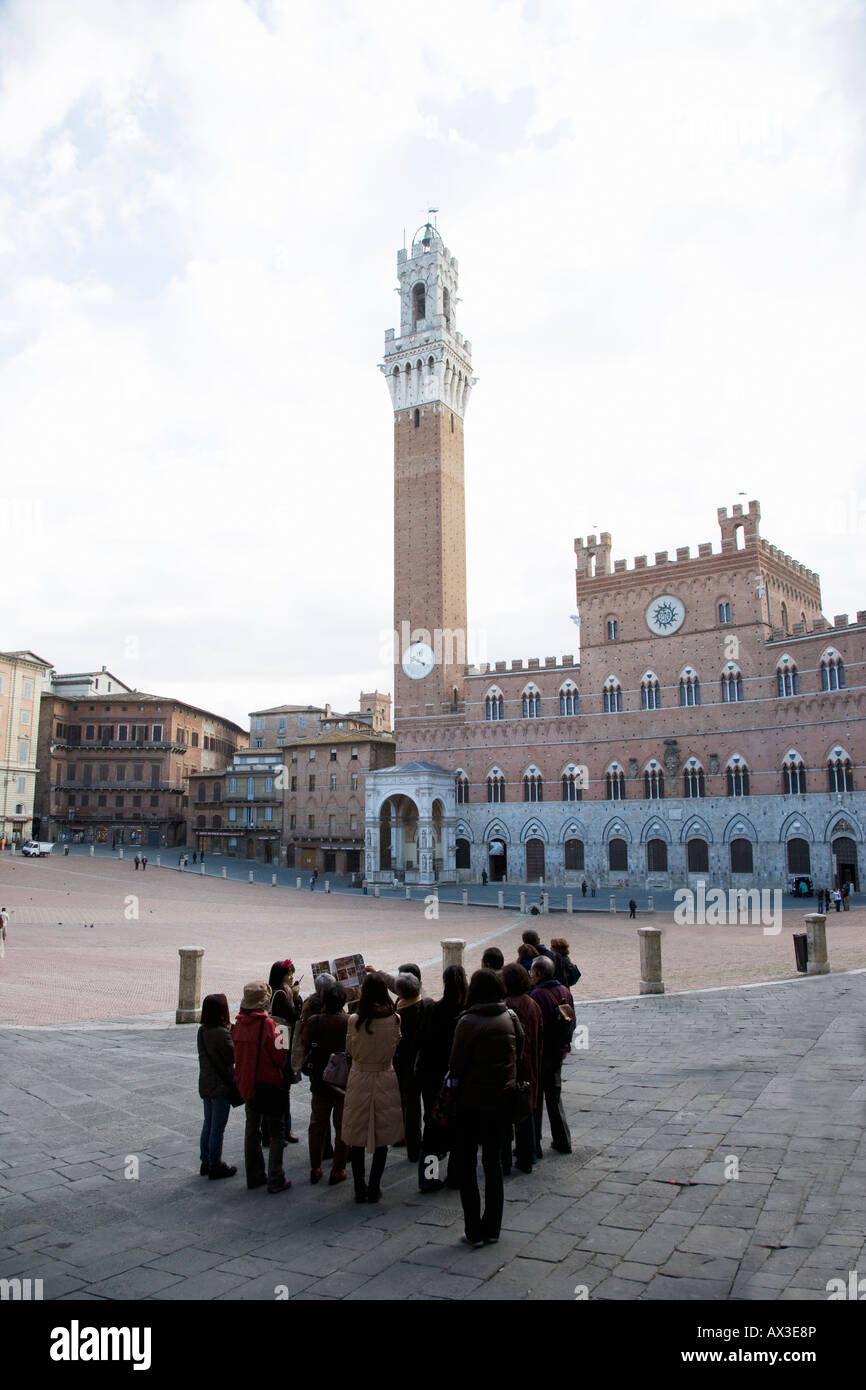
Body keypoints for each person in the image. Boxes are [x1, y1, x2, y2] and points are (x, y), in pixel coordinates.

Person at [449, 968, 524, 1247]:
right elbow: (520, 1050)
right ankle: (493, 1227)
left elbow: (455, 1065)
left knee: (467, 1165)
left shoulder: (467, 1021)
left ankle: (473, 1230)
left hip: (471, 1102)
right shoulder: (511, 1017)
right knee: (493, 1165)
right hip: (502, 1101)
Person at [341, 973, 403, 1202]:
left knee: (356, 1136)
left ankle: (359, 1187)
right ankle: (374, 1187)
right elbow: (396, 1045)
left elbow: (349, 1049)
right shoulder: (395, 1019)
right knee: (382, 1136)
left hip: (360, 1076)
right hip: (385, 1074)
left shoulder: (354, 1021)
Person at [231, 982, 292, 1194]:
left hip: (247, 1084)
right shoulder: (267, 1025)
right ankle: (275, 1176)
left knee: (251, 1130)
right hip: (268, 1084)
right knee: (277, 1131)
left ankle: (254, 1175)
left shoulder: (238, 1024)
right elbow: (279, 1056)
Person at [415, 964, 468, 1191]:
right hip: (460, 1076)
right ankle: (456, 1176)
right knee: (461, 1128)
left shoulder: (433, 1009)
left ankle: (429, 1178)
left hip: (433, 1075)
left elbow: (423, 1041)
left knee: (432, 1126)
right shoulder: (468, 1012)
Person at [302, 983, 349, 1185]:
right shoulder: (348, 1022)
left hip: (319, 1081)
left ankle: (316, 1167)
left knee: (317, 1125)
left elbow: (305, 1045)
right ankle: (338, 1169)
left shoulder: (314, 1021)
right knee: (341, 1126)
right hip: (341, 1083)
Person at [529, 956, 574, 1156]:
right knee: (555, 1098)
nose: (530, 975)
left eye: (532, 972)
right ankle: (563, 1140)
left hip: (542, 1054)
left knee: (536, 1099)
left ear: (538, 974)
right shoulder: (565, 990)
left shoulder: (537, 995)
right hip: (559, 1051)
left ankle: (534, 1143)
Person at [501, 963, 542, 1174]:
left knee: (507, 1115)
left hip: (514, 1067)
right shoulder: (533, 1003)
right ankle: (528, 1158)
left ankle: (505, 1161)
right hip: (531, 1064)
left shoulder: (507, 1005)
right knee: (526, 1112)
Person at [197, 993, 237, 1180]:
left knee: (208, 1123)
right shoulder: (221, 1033)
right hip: (221, 1085)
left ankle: (205, 1160)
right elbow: (232, 1056)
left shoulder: (202, 1030)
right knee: (217, 1128)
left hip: (206, 1082)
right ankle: (215, 1165)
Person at [264, 960, 302, 1144]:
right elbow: (294, 1017)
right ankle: (282, 1130)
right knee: (282, 1086)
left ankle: (270, 1132)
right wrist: (297, 1000)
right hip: (282, 1041)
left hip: (275, 1040)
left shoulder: (271, 991)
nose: (291, 976)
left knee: (274, 1088)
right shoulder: (280, 994)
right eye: (289, 973)